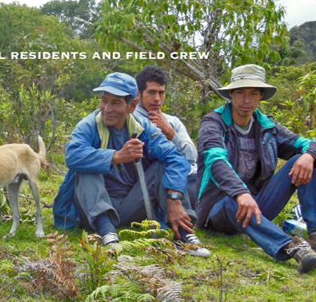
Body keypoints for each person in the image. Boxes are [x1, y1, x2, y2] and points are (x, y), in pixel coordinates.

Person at [196, 64, 316, 273]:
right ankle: (292, 247)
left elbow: (308, 143)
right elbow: (216, 161)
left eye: (253, 93)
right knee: (231, 201)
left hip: (257, 206)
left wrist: (309, 155)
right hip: (219, 210)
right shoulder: (214, 123)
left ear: (261, 96)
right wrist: (240, 193)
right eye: (240, 93)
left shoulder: (268, 127)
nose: (246, 100)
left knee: (301, 161)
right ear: (231, 94)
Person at [52, 72, 210, 257]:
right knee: (86, 167)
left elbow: (175, 158)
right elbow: (72, 155)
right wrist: (116, 156)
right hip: (92, 209)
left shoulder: (144, 128)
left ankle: (183, 235)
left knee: (162, 166)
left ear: (132, 106)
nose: (107, 109)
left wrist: (174, 199)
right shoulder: (89, 124)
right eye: (104, 101)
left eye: (116, 103)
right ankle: (107, 234)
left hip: (132, 205)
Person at [133, 65, 199, 208]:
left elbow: (192, 156)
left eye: (161, 93)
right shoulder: (131, 119)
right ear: (138, 94)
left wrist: (170, 133)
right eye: (151, 92)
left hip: (188, 176)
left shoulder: (172, 122)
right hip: (158, 180)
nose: (157, 98)